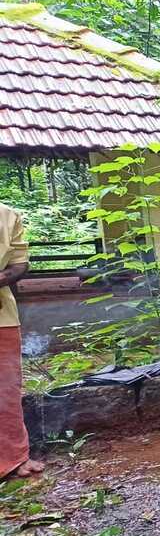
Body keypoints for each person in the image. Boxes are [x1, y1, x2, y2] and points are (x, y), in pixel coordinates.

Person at [0, 202, 40, 480]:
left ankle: (12, 458)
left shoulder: (7, 214)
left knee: (6, 389)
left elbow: (19, 263)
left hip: (2, 316)